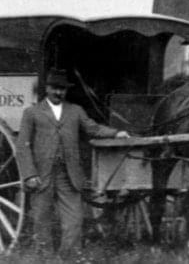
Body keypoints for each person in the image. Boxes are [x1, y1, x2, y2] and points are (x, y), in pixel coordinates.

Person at [16, 68, 129, 258]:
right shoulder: (31, 113)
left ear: (66, 90)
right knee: (41, 217)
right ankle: (44, 257)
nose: (58, 92)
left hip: (68, 175)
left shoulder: (75, 111)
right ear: (47, 88)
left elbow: (93, 128)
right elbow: (22, 146)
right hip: (42, 174)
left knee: (74, 219)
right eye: (54, 88)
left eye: (62, 89)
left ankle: (68, 256)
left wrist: (116, 133)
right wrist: (29, 174)